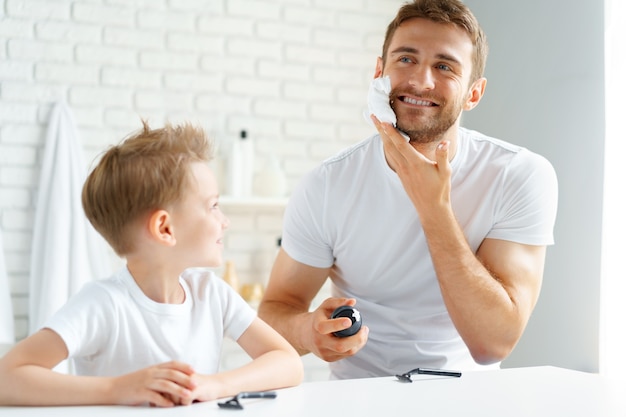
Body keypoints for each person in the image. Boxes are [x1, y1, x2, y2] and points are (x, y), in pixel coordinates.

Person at [258, 0, 558, 380]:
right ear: (379, 72)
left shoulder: (518, 175)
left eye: (444, 66)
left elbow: (493, 343)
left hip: (468, 400)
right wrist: (306, 332)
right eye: (406, 59)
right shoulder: (327, 184)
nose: (421, 81)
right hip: (358, 400)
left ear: (473, 93)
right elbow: (274, 309)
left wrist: (433, 208)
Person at [0, 121, 303, 406]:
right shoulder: (104, 304)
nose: (225, 221)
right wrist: (116, 389)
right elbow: (6, 378)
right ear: (165, 229)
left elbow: (288, 362)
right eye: (212, 206)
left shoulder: (211, 294)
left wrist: (216, 385)